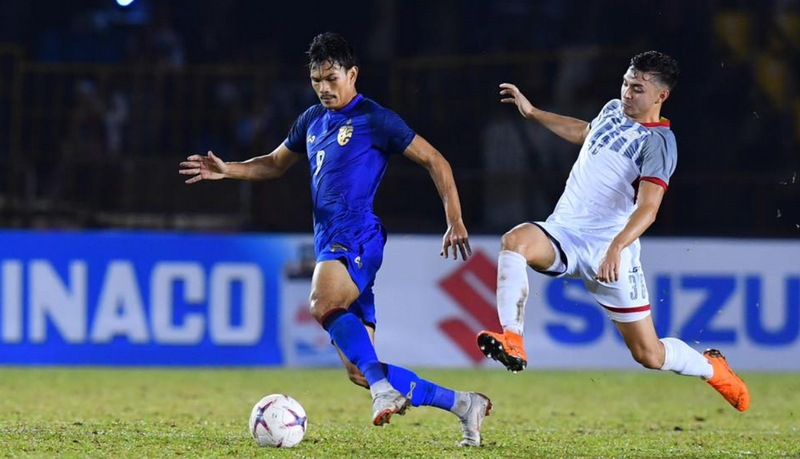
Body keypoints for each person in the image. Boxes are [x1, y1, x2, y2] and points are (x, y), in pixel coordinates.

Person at [179, 32, 491, 446]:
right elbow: (274, 164)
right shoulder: (311, 121)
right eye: (316, 80)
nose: (324, 88)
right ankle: (463, 404)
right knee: (360, 370)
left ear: (352, 74)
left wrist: (454, 218)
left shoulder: (375, 118)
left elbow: (436, 159)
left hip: (357, 235)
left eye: (331, 78)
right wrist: (229, 170)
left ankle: (384, 390)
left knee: (321, 303)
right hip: (331, 239)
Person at [477, 51, 750, 412]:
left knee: (648, 354)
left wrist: (617, 247)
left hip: (612, 250)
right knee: (514, 241)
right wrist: (533, 113)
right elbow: (586, 133)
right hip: (565, 233)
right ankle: (512, 338)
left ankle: (712, 369)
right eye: (625, 82)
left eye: (637, 88)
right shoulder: (610, 110)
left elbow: (649, 208)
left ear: (660, 96)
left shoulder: (659, 143)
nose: (627, 92)